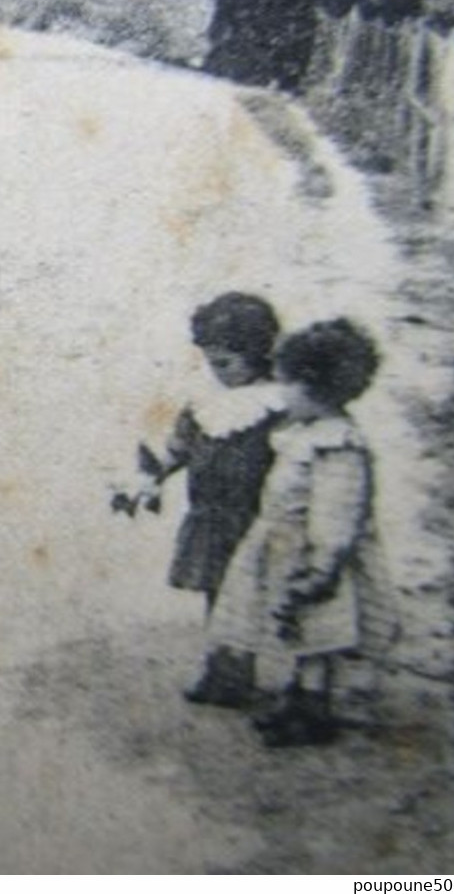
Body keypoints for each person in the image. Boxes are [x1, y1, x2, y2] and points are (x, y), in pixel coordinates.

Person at [209, 318, 396, 747]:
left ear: (314, 386)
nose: (280, 393)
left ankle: (312, 711)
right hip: (283, 549)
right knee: (296, 631)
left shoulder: (338, 445)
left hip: (312, 557)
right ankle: (295, 702)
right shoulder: (306, 434)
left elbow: (337, 511)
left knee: (316, 634)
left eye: (286, 383)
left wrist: (323, 565)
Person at [113, 292, 285, 707]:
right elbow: (180, 447)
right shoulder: (205, 405)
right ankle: (223, 669)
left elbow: (292, 459)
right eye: (211, 363)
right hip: (211, 516)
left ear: (258, 352)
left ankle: (257, 672)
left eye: (226, 363)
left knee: (251, 595)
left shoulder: (276, 405)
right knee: (217, 592)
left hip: (253, 517)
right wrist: (152, 477)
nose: (217, 372)